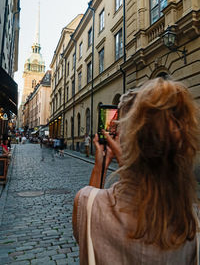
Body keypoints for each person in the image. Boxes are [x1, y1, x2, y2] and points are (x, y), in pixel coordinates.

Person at [73, 78, 200, 265]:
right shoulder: (192, 220)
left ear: (127, 142)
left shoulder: (88, 203)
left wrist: (100, 166)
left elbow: (82, 231)